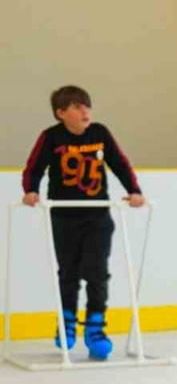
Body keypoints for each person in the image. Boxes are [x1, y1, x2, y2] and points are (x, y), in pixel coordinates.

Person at [21, 85, 145, 360]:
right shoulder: (51, 138)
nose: (85, 111)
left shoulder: (100, 133)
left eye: (87, 106)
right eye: (77, 107)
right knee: (69, 273)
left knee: (97, 272)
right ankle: (66, 323)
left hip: (97, 216)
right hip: (65, 217)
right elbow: (34, 167)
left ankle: (95, 328)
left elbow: (119, 163)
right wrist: (30, 190)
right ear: (61, 113)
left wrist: (134, 191)